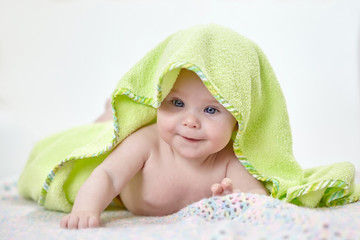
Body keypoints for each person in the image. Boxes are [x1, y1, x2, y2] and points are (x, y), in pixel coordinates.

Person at [60, 69, 269, 229]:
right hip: (122, 197)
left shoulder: (230, 159)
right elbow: (109, 175)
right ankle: (109, 113)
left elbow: (255, 196)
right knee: (101, 129)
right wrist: (85, 209)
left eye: (211, 109)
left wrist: (235, 199)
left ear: (237, 121)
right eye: (177, 102)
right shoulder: (146, 142)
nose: (190, 121)